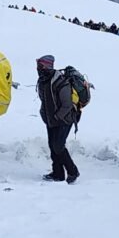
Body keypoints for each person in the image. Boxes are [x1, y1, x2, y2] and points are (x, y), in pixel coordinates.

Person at [36, 55, 79, 184]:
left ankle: (73, 171)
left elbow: (67, 105)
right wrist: (45, 114)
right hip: (51, 119)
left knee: (58, 146)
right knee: (52, 145)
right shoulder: (43, 81)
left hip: (65, 119)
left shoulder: (61, 82)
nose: (38, 69)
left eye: (40, 66)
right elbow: (44, 100)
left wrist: (57, 116)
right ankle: (58, 173)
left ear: (47, 66)